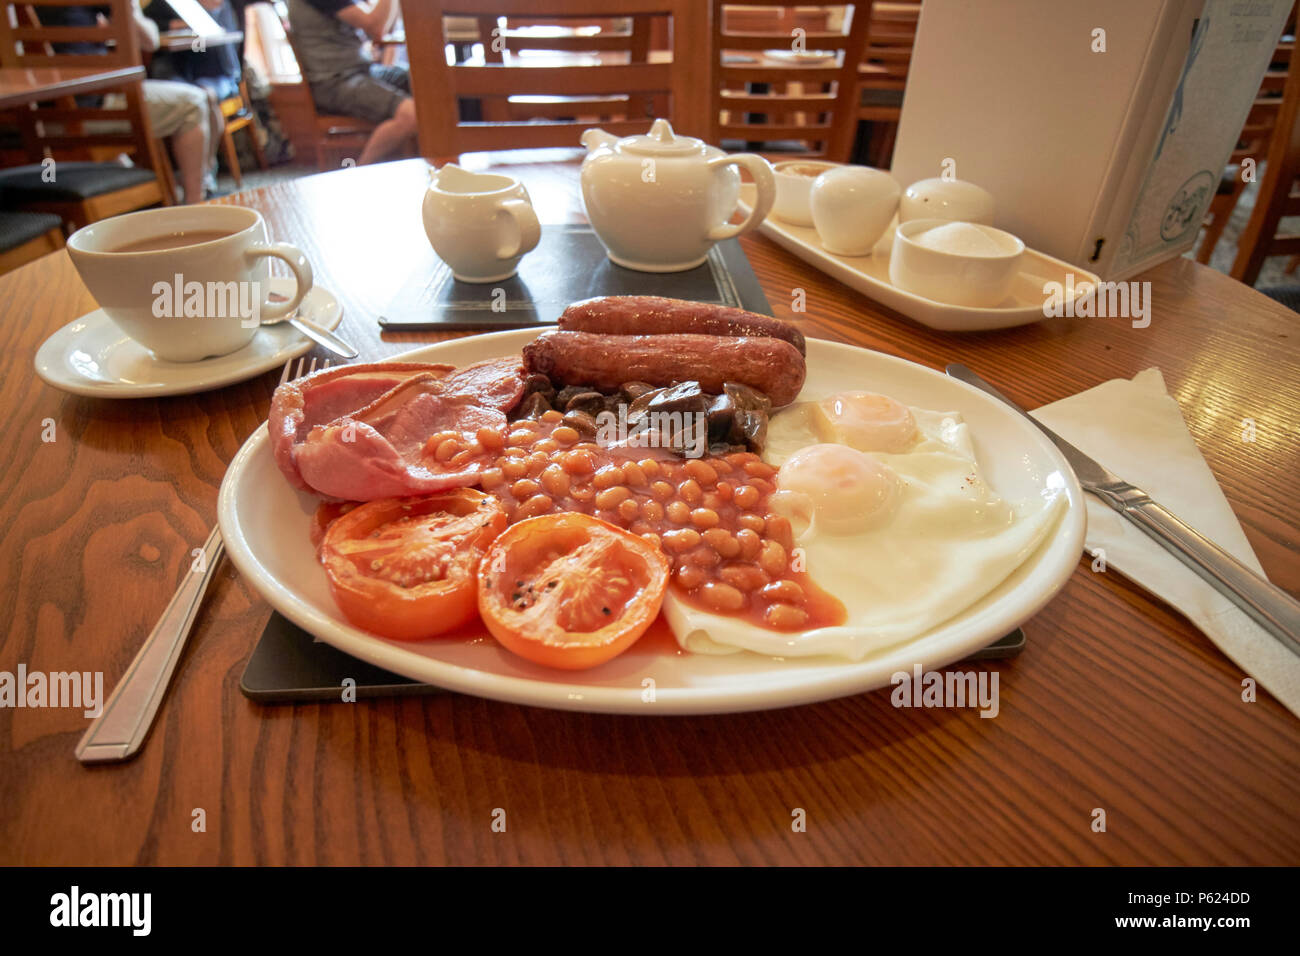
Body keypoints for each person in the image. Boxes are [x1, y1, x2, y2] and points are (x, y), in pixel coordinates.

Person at [35, 3, 219, 204]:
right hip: (87, 112)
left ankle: (150, 191)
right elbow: (151, 41)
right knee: (194, 102)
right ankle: (195, 203)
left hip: (34, 117)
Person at [286, 0, 417, 164]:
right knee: (411, 115)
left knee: (422, 80)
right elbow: (375, 26)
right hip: (335, 81)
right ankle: (360, 173)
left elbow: (378, 31)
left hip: (360, 71)